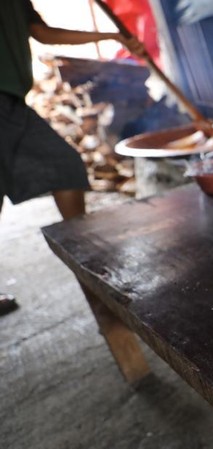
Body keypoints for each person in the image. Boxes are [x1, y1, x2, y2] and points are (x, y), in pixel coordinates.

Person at [0, 0, 146, 316]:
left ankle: (89, 268)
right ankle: (97, 287)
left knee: (64, 165)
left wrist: (112, 37)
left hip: (10, 103)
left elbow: (41, 32)